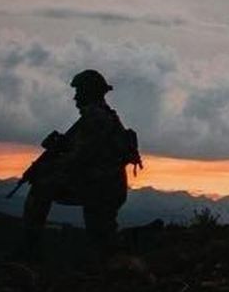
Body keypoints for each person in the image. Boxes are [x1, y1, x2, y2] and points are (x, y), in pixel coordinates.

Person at [20, 69, 140, 259]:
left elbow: (78, 159)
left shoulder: (96, 119)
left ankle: (30, 252)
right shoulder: (99, 117)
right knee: (103, 240)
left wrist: (45, 168)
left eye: (79, 92)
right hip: (102, 186)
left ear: (88, 92)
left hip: (101, 188)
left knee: (42, 188)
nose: (75, 97)